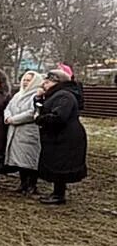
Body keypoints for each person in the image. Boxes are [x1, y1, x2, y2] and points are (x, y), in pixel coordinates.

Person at [34, 70, 87, 204]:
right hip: (58, 135)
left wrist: (41, 119)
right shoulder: (56, 95)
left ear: (57, 83)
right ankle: (57, 192)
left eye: (47, 82)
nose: (43, 85)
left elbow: (59, 117)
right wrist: (38, 99)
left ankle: (59, 195)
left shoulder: (64, 96)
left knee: (60, 164)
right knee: (56, 162)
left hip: (66, 137)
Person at [4, 71, 43, 195]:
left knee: (30, 160)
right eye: (24, 80)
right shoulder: (18, 94)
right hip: (15, 132)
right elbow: (8, 107)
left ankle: (32, 184)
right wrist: (7, 117)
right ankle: (23, 183)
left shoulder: (37, 95)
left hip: (28, 131)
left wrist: (14, 120)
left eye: (29, 80)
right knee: (20, 160)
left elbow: (32, 113)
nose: (26, 82)